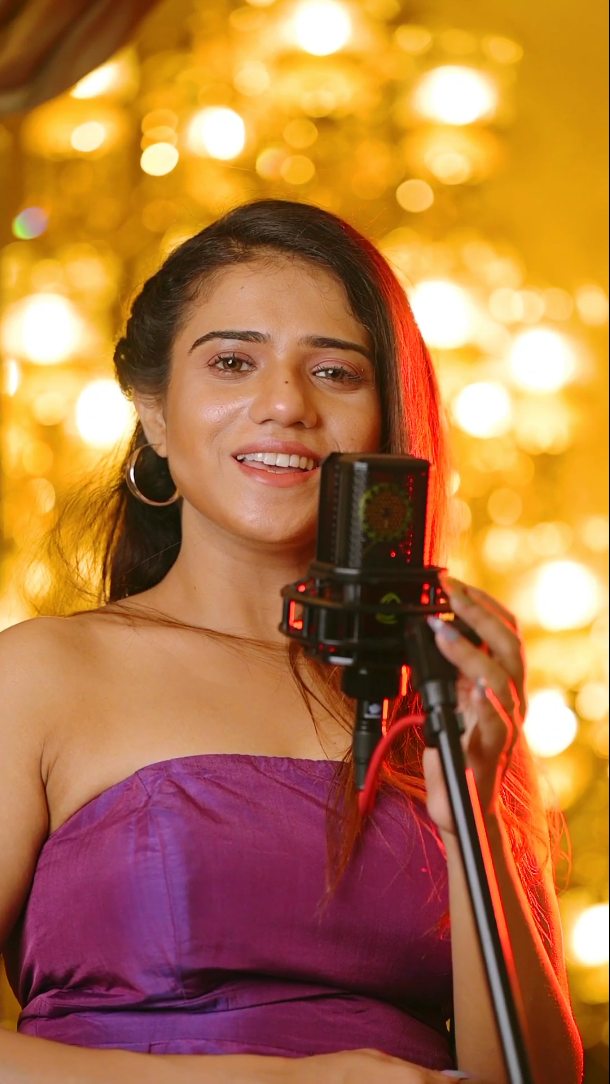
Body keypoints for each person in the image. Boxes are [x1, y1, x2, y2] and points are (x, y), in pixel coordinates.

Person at [0, 199, 583, 1083]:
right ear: (154, 412)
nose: (284, 405)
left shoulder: (444, 698)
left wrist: (472, 816)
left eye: (336, 372)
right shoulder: (41, 675)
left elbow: (529, 1073)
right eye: (233, 362)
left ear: (385, 420)